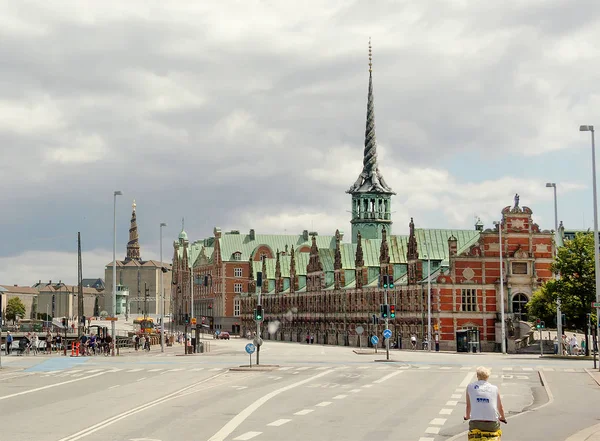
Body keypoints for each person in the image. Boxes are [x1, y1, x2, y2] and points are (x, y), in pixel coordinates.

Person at [464, 366, 507, 438]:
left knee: (474, 437)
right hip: (492, 424)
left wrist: (467, 416)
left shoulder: (470, 387)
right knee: (495, 436)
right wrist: (502, 417)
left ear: (477, 375)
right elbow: (500, 407)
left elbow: (468, 406)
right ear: (488, 376)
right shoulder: (494, 388)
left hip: (476, 423)